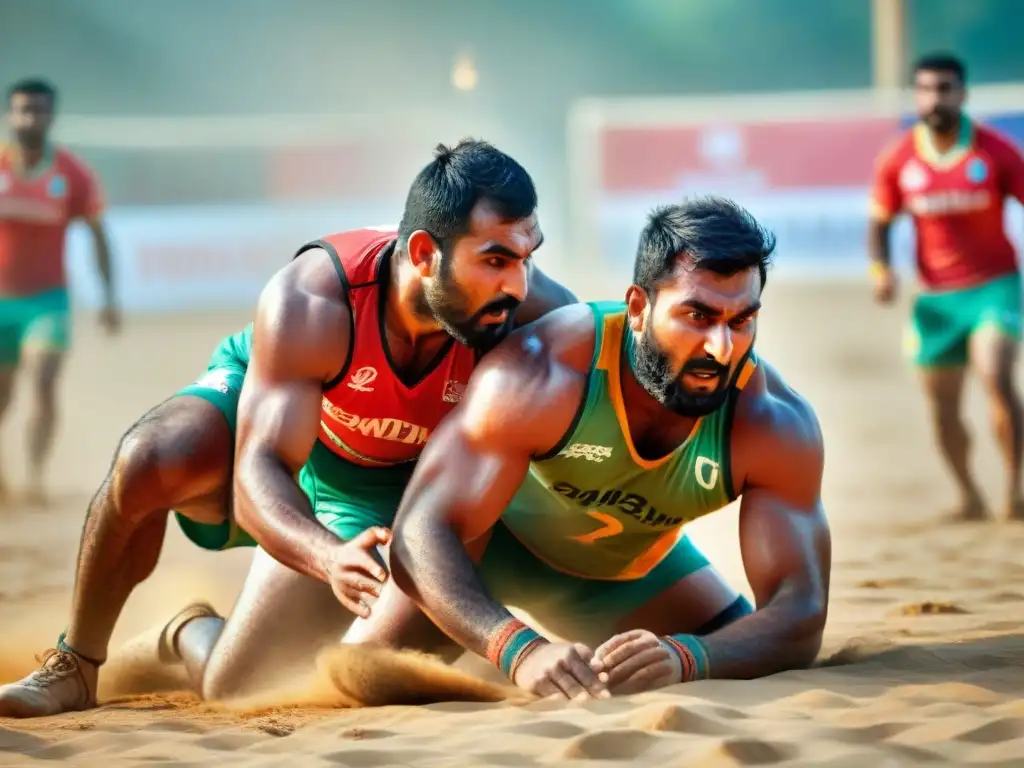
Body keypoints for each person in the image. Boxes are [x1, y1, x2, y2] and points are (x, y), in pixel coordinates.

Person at [0, 139, 576, 716]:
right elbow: (258, 475)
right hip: (286, 431)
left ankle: (189, 632)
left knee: (243, 688)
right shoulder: (314, 297)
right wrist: (328, 557)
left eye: (528, 259)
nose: (519, 286)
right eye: (496, 260)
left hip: (394, 481)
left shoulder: (536, 315)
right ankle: (75, 663)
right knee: (151, 456)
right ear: (424, 252)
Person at [354, 196, 831, 699]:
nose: (721, 348)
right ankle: (493, 660)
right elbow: (421, 534)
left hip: (620, 577)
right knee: (365, 679)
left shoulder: (774, 423)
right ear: (639, 309)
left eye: (741, 322)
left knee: (742, 651)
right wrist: (519, 650)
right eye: (697, 316)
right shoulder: (543, 372)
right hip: (483, 554)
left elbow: (798, 616)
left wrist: (686, 658)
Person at [869, 53, 1024, 523]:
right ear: (917, 95)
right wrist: (882, 271)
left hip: (995, 288)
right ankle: (970, 496)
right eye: (926, 89)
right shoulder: (898, 159)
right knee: (942, 407)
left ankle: (1014, 494)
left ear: (963, 94)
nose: (935, 98)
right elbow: (879, 223)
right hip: (935, 300)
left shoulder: (994, 151)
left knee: (995, 375)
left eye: (945, 88)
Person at [0, 78, 118, 503]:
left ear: (51, 115)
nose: (30, 117)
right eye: (22, 109)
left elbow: (99, 235)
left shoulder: (71, 173)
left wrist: (108, 297)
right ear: (11, 114)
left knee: (44, 383)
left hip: (47, 301)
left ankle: (34, 478)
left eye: (38, 109)